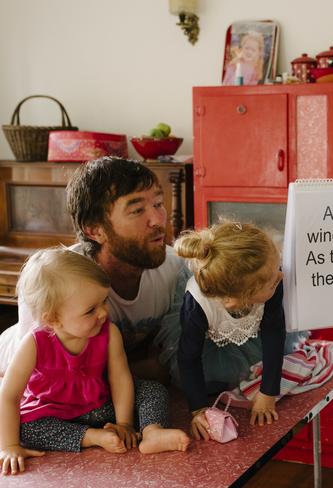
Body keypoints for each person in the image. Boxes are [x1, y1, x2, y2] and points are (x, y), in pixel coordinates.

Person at [0, 248, 191, 475]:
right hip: (53, 412)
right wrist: (9, 446)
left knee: (152, 390)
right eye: (91, 310)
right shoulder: (33, 344)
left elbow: (120, 378)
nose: (103, 312)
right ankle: (91, 437)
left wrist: (124, 424)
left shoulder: (108, 333)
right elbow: (9, 396)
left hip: (100, 407)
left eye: (104, 301)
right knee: (25, 429)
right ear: (53, 319)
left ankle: (152, 432)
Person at [0, 157, 192, 382]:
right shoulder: (53, 280)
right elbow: (44, 379)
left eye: (158, 204)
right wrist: (144, 369)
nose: (158, 220)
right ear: (94, 230)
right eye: (137, 210)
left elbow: (174, 356)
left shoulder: (176, 268)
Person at [174, 221, 303, 438]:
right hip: (209, 346)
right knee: (210, 382)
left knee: (263, 363)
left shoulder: (274, 279)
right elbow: (189, 358)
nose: (280, 277)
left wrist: (268, 391)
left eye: (277, 268)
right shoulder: (197, 306)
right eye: (272, 282)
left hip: (253, 339)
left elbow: (274, 333)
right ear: (238, 301)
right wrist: (198, 409)